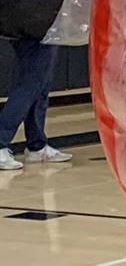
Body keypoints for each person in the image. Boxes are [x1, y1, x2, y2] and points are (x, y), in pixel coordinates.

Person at [0, 36, 72, 171]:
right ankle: (2, 140)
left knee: (41, 84)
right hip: (38, 27)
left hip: (35, 27)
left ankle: (36, 145)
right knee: (31, 84)